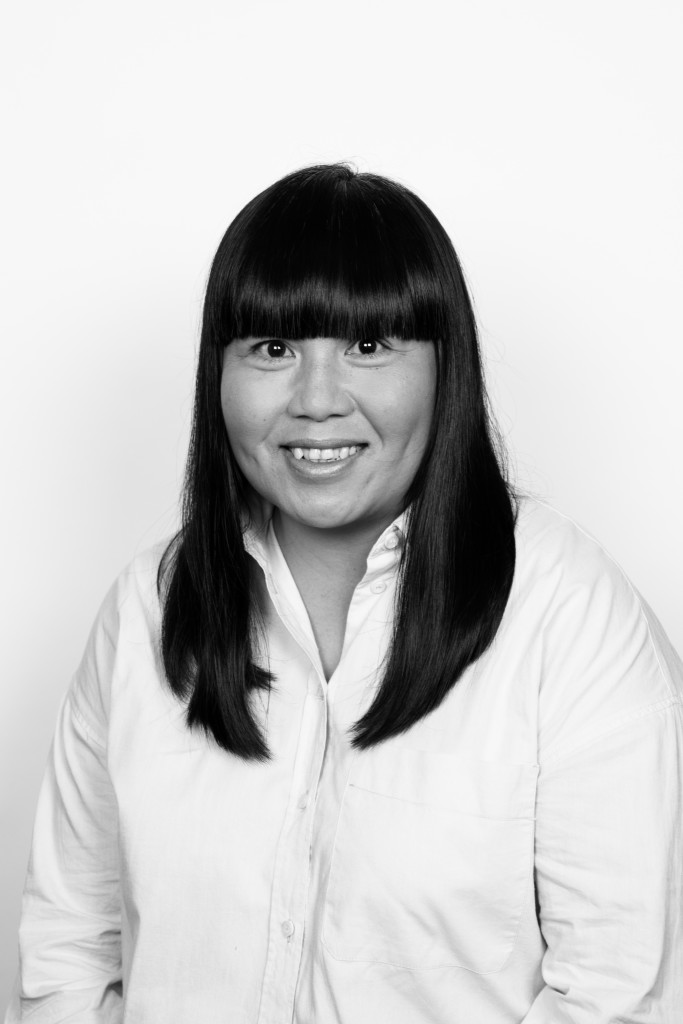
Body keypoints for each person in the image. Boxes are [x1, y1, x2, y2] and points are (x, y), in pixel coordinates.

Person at [6, 164, 683, 1024]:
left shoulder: (570, 615)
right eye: (273, 349)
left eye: (368, 346)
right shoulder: (148, 607)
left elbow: (618, 992)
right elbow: (70, 946)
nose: (317, 401)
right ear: (218, 374)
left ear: (445, 368)